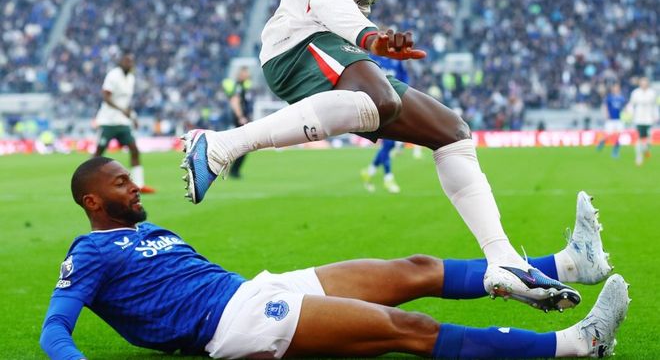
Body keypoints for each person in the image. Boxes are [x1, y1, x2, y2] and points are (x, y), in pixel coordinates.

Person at [181, 0, 576, 310]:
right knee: (380, 100)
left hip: (326, 44)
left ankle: (502, 260)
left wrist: (367, 39)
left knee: (452, 131)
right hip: (297, 44)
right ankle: (221, 145)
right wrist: (370, 37)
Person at [41, 158, 625, 360]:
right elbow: (54, 330)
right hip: (236, 324)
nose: (135, 186)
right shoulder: (89, 252)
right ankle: (576, 344)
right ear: (92, 201)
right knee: (409, 328)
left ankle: (571, 264)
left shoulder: (153, 230)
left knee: (413, 268)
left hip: (253, 289)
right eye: (121, 183)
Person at [94, 52, 155, 193]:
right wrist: (122, 110)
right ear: (121, 61)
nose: (129, 63)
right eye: (127, 60)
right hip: (108, 121)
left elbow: (126, 102)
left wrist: (133, 117)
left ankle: (139, 185)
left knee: (134, 150)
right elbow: (106, 97)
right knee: (99, 153)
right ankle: (90, 183)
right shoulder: (113, 75)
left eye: (131, 61)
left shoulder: (131, 78)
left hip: (122, 122)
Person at [361, 55, 410, 193]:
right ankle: (388, 178)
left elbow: (404, 79)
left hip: (395, 103)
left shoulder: (397, 60)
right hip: (378, 105)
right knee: (388, 143)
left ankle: (370, 171)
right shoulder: (371, 58)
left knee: (389, 144)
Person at [222, 66, 254, 179]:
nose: (248, 75)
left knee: (243, 146)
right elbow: (235, 101)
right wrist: (241, 117)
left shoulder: (243, 86)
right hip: (240, 120)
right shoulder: (239, 86)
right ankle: (233, 171)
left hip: (243, 119)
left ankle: (233, 170)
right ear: (241, 74)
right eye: (246, 73)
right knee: (243, 146)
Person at [626, 76, 658, 166]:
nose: (644, 84)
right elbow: (631, 104)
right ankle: (639, 157)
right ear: (640, 83)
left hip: (649, 119)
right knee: (639, 138)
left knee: (649, 140)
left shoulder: (652, 93)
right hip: (639, 119)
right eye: (642, 82)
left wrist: (656, 116)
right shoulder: (635, 93)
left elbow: (654, 106)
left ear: (647, 83)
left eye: (645, 82)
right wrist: (630, 114)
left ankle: (645, 149)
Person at [596, 83, 626, 158]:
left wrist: (625, 115)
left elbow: (624, 108)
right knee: (608, 135)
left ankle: (615, 151)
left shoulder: (622, 98)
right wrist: (606, 114)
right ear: (612, 89)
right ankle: (602, 142)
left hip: (619, 119)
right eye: (615, 87)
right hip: (610, 119)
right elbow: (605, 106)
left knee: (618, 136)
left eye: (617, 87)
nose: (616, 89)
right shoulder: (609, 98)